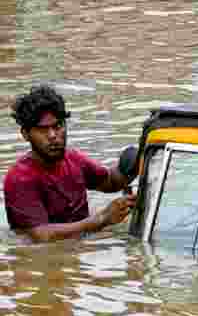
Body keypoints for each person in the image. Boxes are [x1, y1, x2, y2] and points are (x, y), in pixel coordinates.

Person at [3, 85, 136, 242]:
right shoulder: (20, 178)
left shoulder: (74, 160)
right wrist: (103, 218)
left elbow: (111, 181)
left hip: (79, 251)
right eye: (42, 130)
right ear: (25, 134)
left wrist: (135, 161)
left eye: (57, 126)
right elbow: (42, 236)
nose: (52, 135)